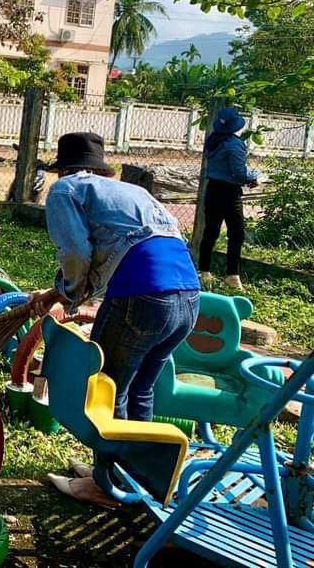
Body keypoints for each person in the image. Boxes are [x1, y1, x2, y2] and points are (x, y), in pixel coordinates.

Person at [27, 132, 200, 508]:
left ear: (64, 169)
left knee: (107, 390)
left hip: (143, 296)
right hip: (188, 297)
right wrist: (60, 293)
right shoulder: (132, 193)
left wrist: (68, 290)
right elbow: (126, 253)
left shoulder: (66, 189)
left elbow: (76, 253)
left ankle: (106, 484)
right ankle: (135, 477)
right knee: (141, 390)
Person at [198, 106, 258, 290]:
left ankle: (204, 272)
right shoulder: (234, 144)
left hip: (212, 190)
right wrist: (253, 176)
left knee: (210, 232)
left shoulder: (212, 141)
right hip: (229, 193)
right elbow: (238, 172)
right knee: (236, 234)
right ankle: (232, 276)